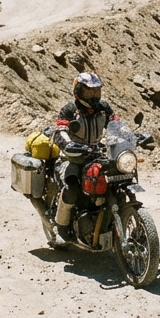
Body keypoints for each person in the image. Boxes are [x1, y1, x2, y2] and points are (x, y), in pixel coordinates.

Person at [51, 73, 117, 226]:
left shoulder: (103, 108)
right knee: (72, 188)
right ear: (79, 91)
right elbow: (60, 131)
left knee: (115, 182)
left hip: (96, 155)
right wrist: (68, 145)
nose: (94, 95)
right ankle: (61, 226)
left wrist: (130, 136)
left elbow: (116, 126)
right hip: (72, 157)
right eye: (89, 91)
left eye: (97, 90)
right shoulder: (70, 110)